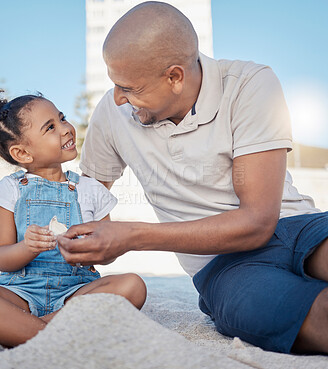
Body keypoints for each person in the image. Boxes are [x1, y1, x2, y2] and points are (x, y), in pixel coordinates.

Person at [56, 1, 328, 355]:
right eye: (114, 84)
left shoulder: (249, 83)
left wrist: (132, 236)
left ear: (174, 77)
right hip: (226, 266)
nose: (119, 98)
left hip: (300, 227)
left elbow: (258, 222)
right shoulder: (112, 111)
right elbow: (85, 202)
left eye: (129, 87)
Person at [0, 90, 147, 348]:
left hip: (75, 292)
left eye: (62, 118)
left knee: (132, 285)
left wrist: (90, 251)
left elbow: (108, 252)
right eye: (50, 127)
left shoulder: (92, 190)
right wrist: (27, 247)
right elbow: (0, 258)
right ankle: (59, 336)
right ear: (23, 153)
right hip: (20, 293)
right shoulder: (8, 190)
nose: (65, 129)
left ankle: (22, 333)